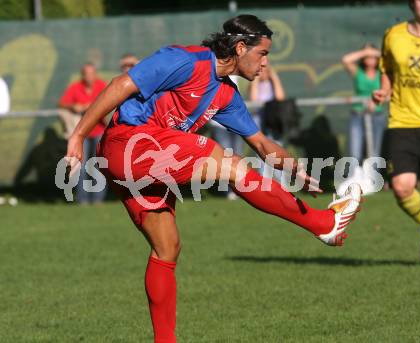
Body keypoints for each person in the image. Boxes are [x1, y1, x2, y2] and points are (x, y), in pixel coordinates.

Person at [65, 15, 362, 342]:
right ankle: (324, 224)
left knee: (167, 249)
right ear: (239, 48)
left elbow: (262, 144)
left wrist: (296, 169)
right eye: (262, 54)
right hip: (130, 143)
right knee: (231, 166)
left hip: (137, 162)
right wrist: (79, 135)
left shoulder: (226, 94)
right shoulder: (186, 60)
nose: (265, 64)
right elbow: (121, 85)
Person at [373, 0, 420, 264]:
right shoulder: (394, 35)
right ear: (412, 4)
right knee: (402, 188)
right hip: (402, 122)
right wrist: (384, 90)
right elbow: (386, 70)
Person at [59, 63, 107, 204]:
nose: (89, 76)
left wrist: (92, 107)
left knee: (98, 165)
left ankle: (98, 199)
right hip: (82, 133)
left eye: (92, 73)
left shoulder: (101, 86)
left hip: (100, 130)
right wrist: (74, 106)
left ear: (95, 74)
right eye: (86, 73)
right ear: (82, 75)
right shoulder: (75, 87)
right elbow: (62, 103)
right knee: (81, 166)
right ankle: (82, 199)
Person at [342, 44, 386, 162]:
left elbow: (390, 57)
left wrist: (373, 52)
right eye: (367, 56)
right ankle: (356, 177)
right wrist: (366, 52)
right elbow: (346, 60)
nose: (370, 58)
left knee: (375, 153)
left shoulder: (383, 73)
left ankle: (374, 178)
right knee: (355, 152)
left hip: (377, 115)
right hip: (358, 114)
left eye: (373, 56)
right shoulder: (358, 72)